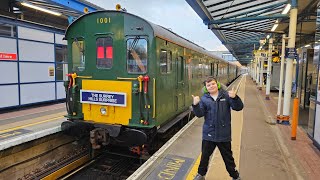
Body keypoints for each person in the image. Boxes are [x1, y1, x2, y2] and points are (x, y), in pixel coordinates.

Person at [192, 76, 243, 180]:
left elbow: (238, 107)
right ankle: (200, 175)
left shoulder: (226, 96)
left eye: (213, 84)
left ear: (217, 84)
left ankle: (235, 176)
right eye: (208, 85)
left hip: (223, 134)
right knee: (204, 157)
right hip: (209, 134)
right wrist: (195, 105)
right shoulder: (204, 99)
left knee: (228, 157)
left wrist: (235, 97)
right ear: (206, 88)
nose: (211, 86)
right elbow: (199, 114)